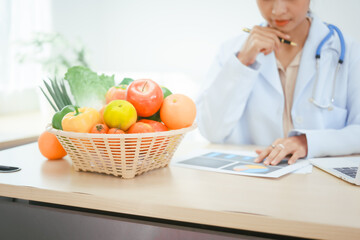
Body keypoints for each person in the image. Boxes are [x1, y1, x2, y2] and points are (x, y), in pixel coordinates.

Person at [197, 0, 360, 166]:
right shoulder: (233, 50)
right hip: (254, 179)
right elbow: (211, 131)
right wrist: (244, 61)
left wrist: (307, 142)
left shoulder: (349, 51)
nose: (278, 10)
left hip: (323, 183)